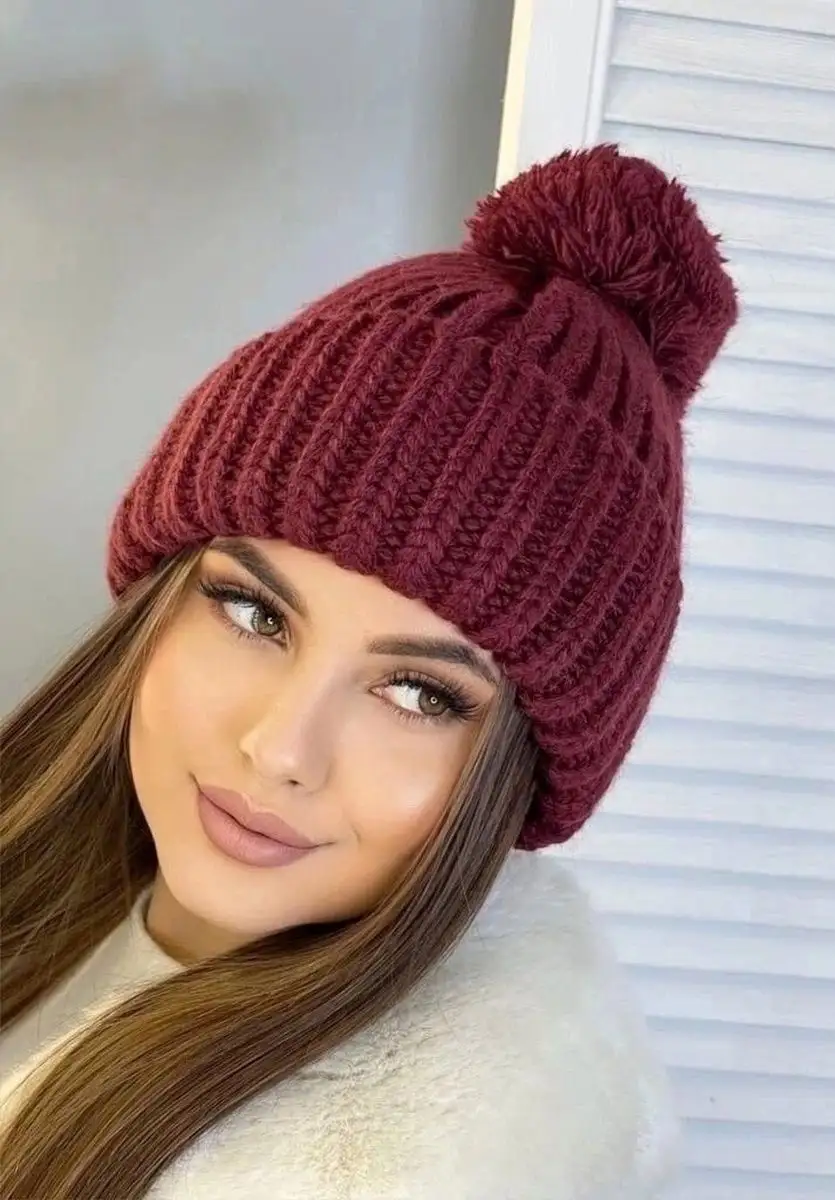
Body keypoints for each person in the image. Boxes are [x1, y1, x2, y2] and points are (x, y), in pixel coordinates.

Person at [0, 143, 738, 1199]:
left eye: (418, 694)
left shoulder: (434, 1169)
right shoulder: (47, 872)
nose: (279, 749)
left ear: (518, 775)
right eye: (253, 612)